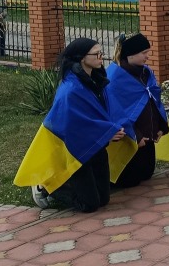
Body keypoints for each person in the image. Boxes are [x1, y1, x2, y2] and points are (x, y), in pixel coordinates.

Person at [15, 38, 128, 213]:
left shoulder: (97, 80)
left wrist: (112, 128)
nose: (101, 57)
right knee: (90, 205)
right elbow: (73, 126)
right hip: (74, 150)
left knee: (103, 200)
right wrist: (105, 134)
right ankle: (46, 187)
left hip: (94, 146)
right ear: (82, 58)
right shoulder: (70, 90)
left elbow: (100, 112)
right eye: (97, 54)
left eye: (102, 52)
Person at [106, 33, 169, 188]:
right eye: (144, 53)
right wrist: (136, 135)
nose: (148, 56)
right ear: (130, 54)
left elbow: (154, 101)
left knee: (147, 174)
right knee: (130, 181)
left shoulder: (145, 72)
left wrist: (160, 127)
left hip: (148, 138)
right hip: (129, 138)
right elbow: (116, 112)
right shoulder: (115, 77)